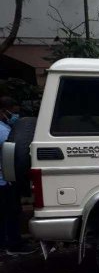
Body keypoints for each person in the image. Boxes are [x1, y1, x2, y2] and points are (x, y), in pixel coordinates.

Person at [0, 96, 37, 255]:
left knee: (9, 212)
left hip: (6, 178)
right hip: (4, 179)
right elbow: (14, 153)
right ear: (3, 111)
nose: (15, 116)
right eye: (13, 112)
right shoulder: (2, 131)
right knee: (10, 212)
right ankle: (13, 245)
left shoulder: (4, 128)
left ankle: (9, 242)